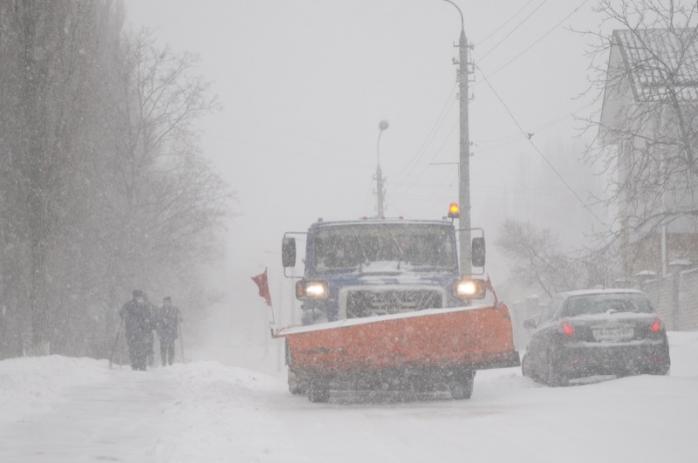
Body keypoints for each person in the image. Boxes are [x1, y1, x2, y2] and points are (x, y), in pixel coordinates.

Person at [119, 290, 155, 371]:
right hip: (132, 330)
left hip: (141, 330)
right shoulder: (129, 305)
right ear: (134, 296)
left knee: (141, 348)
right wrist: (124, 314)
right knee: (133, 348)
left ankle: (141, 365)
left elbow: (149, 315)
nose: (139, 298)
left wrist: (148, 321)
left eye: (140, 296)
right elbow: (121, 312)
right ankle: (136, 365)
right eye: (137, 296)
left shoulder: (144, 305)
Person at [156, 296, 181, 366]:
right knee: (163, 347)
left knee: (171, 347)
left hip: (171, 331)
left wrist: (179, 318)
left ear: (170, 302)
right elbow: (157, 319)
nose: (166, 303)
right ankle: (163, 362)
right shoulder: (160, 310)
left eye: (168, 302)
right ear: (163, 302)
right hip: (162, 331)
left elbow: (180, 319)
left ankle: (170, 362)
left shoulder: (175, 309)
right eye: (165, 302)